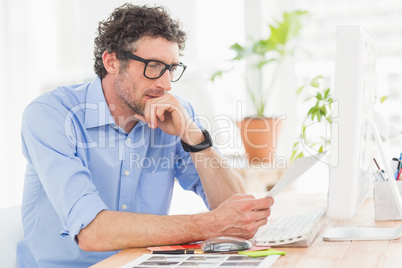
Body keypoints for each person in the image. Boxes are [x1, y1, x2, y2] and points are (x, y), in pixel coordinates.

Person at [17, 3, 274, 267]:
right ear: (112, 61)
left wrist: (194, 137)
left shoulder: (174, 113)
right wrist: (209, 224)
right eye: (153, 66)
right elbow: (91, 232)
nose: (166, 84)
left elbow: (233, 208)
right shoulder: (51, 114)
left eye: (171, 69)